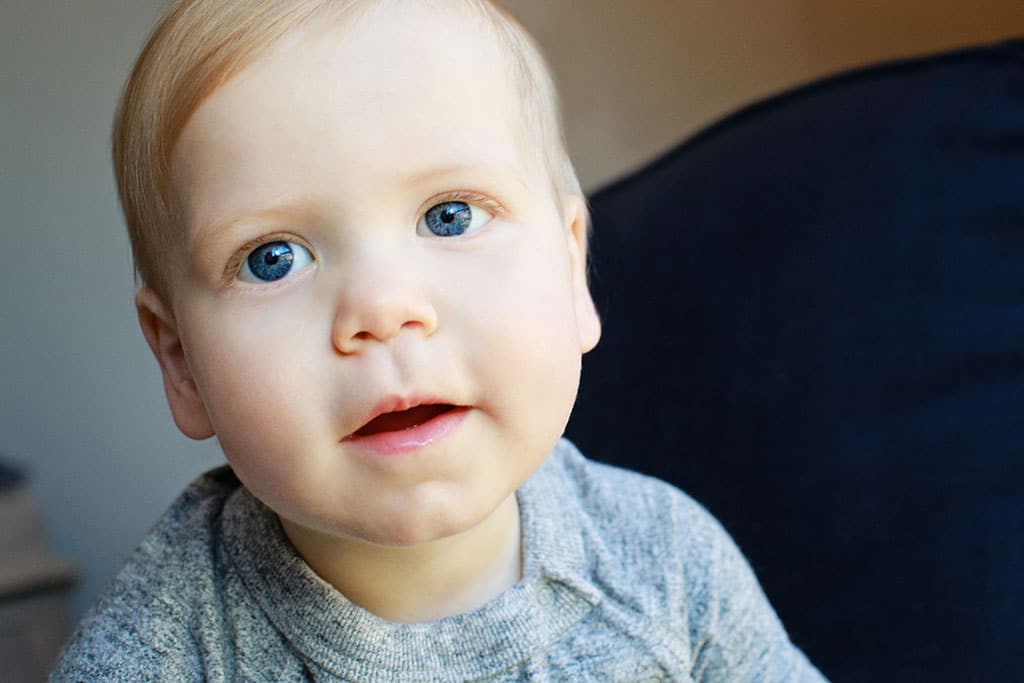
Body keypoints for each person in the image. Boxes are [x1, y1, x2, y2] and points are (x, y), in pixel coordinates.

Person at [52, 0, 827, 680]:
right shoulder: (160, 652)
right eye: (273, 257)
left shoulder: (666, 564)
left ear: (571, 270)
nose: (383, 310)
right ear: (181, 361)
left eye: (449, 215)